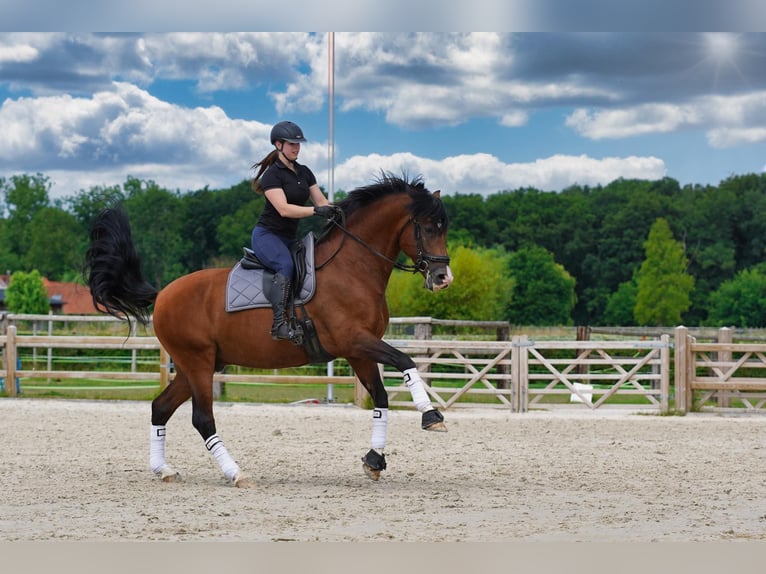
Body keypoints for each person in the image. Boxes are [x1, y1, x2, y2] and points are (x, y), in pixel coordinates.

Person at [250, 120, 338, 341]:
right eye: (291, 144)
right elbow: (284, 209)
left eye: (298, 144)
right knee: (285, 265)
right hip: (267, 236)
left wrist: (340, 211)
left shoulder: (304, 172)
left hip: (289, 238)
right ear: (278, 145)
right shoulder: (272, 176)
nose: (296, 148)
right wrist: (316, 211)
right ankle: (279, 325)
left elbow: (321, 201)